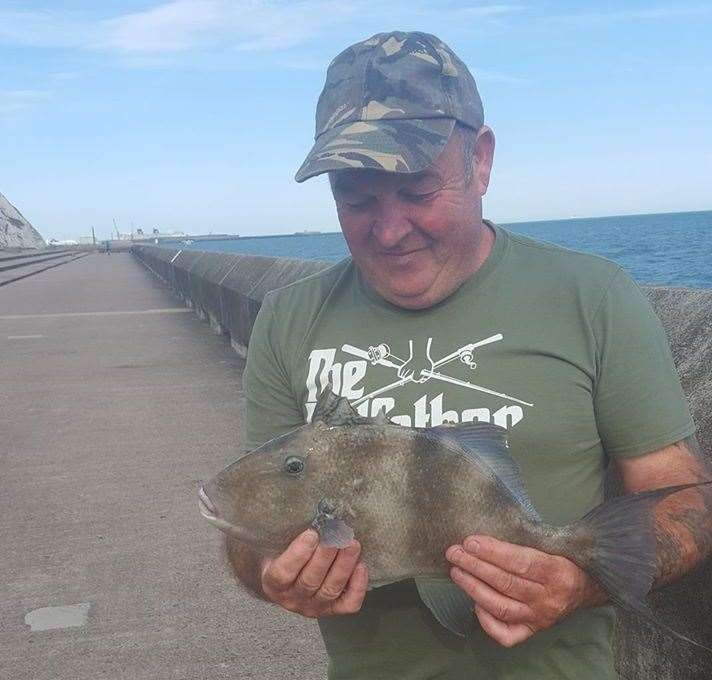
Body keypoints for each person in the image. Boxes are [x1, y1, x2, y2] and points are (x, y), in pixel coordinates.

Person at [228, 31, 712, 679]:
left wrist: (579, 582)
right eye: (356, 198)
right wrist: (269, 574)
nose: (390, 229)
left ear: (480, 161)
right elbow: (248, 528)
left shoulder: (593, 297)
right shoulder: (287, 319)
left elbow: (682, 499)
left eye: (418, 191)